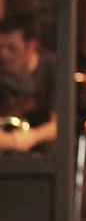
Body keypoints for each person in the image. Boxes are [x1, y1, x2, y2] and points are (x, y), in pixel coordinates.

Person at [0, 14, 56, 152]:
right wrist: (13, 142)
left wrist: (32, 137)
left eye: (12, 48)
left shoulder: (54, 69)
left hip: (46, 159)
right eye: (0, 47)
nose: (3, 54)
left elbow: (61, 125)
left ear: (32, 46)